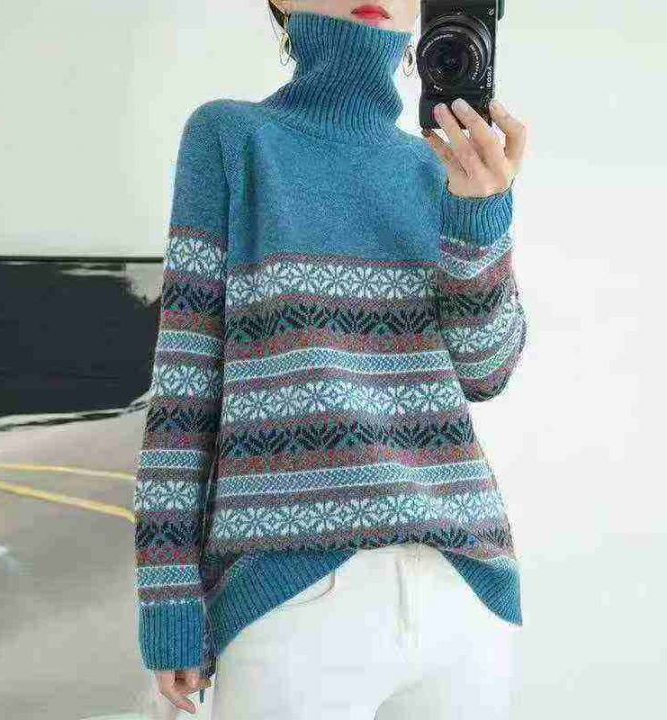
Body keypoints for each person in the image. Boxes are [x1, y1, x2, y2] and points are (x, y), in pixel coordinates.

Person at [133, 1, 529, 718]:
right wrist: (169, 603)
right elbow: (184, 388)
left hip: (463, 588)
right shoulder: (233, 138)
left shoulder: (441, 167)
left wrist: (482, 215)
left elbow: (486, 370)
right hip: (291, 594)